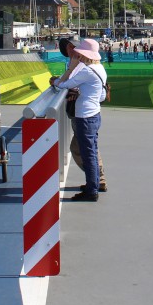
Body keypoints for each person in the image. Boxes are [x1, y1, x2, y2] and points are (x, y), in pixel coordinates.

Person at [51, 38, 107, 202]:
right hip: (95, 114)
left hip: (85, 116)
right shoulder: (99, 68)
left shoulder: (86, 71)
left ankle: (92, 191)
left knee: (88, 154)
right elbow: (102, 94)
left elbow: (62, 85)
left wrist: (69, 69)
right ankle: (94, 184)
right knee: (92, 151)